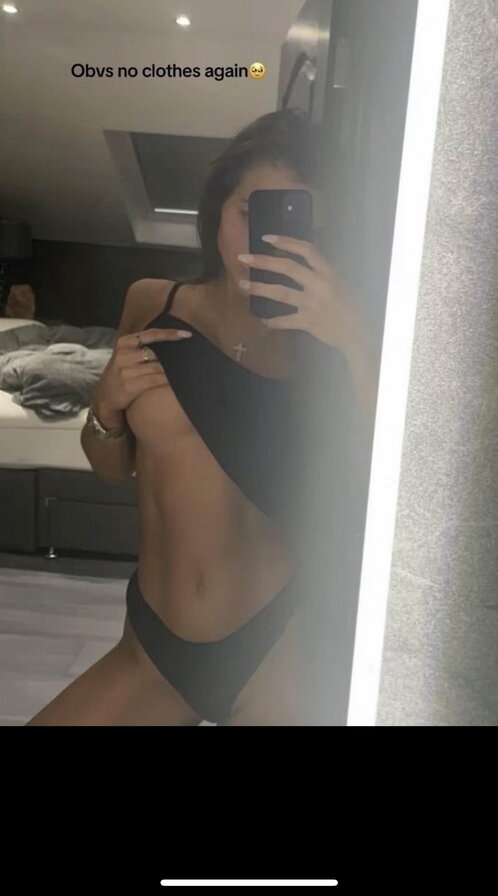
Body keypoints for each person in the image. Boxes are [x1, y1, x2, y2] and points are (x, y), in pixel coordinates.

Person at [25, 109, 377, 726]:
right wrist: (105, 403)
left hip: (280, 648)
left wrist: (355, 337)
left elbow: (399, 482)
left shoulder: (329, 341)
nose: (264, 245)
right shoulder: (150, 302)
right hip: (153, 650)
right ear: (217, 207)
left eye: (297, 230)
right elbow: (110, 468)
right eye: (248, 213)